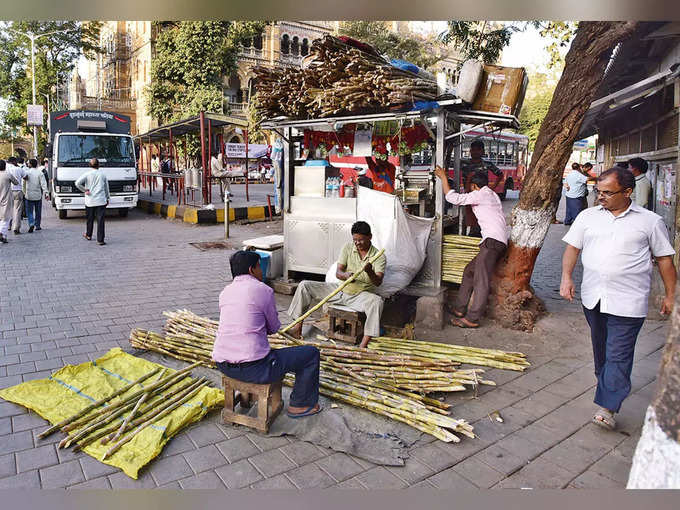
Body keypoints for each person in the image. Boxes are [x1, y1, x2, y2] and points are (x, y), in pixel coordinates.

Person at [560, 167, 676, 431]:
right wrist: (566, 278)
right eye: (597, 192)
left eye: (607, 193)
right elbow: (572, 248)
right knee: (601, 349)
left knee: (618, 353)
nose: (600, 197)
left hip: (629, 301)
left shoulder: (650, 221)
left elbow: (665, 261)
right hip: (593, 298)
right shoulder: (587, 217)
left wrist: (671, 295)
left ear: (627, 192)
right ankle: (608, 383)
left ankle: (608, 407)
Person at [213, 251, 322, 418]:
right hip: (256, 368)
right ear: (251, 270)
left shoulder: (225, 292)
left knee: (271, 353)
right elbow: (273, 328)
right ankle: (300, 405)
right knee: (310, 354)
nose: (261, 272)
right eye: (259, 267)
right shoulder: (263, 290)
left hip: (223, 364)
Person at [288, 221, 386, 348]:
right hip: (340, 290)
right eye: (355, 240)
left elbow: (378, 282)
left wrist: (370, 271)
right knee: (304, 285)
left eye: (361, 240)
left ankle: (363, 345)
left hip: (359, 296)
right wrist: (346, 276)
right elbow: (338, 272)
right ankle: (297, 328)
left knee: (377, 301)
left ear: (370, 237)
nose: (357, 243)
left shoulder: (378, 256)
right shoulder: (348, 248)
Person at [435, 165, 508, 328]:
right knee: (469, 271)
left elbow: (453, 198)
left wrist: (443, 177)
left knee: (481, 279)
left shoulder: (480, 195)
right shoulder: (491, 194)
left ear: (475, 186)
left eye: (470, 186)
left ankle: (472, 318)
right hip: (497, 240)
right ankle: (460, 308)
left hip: (492, 242)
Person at [461, 140, 503, 236]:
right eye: (473, 150)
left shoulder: (487, 164)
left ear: (482, 151)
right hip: (469, 195)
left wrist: (493, 187)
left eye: (477, 150)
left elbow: (500, 174)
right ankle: (468, 237)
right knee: (468, 219)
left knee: (482, 219)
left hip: (483, 197)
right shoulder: (464, 163)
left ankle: (479, 236)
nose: (474, 152)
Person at [75, 158, 110, 246]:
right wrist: (107, 198)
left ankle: (88, 235)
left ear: (90, 165)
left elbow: (77, 183)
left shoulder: (87, 174)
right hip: (101, 201)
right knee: (100, 221)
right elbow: (106, 188)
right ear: (99, 165)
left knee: (89, 219)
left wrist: (85, 190)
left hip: (90, 201)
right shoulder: (103, 175)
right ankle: (100, 240)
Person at [23, 159, 48, 233]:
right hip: (38, 195)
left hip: (29, 195)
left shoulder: (27, 173)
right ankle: (37, 225)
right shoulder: (40, 173)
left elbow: (23, 183)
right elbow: (43, 184)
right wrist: (46, 193)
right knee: (38, 211)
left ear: (30, 164)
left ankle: (31, 223)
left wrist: (24, 192)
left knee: (29, 211)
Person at [6, 156, 27, 234]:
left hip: (8, 191)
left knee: (9, 209)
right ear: (14, 161)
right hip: (18, 190)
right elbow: (26, 177)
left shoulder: (7, 169)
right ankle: (16, 228)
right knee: (17, 210)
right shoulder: (19, 169)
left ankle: (8, 225)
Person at [0, 160, 19, 244]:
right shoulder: (7, 174)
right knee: (6, 217)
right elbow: (16, 182)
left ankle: (3, 236)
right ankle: (2, 233)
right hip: (6, 198)